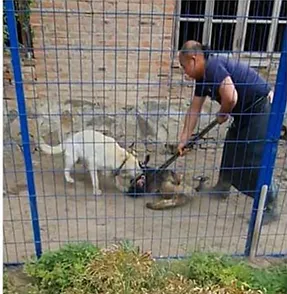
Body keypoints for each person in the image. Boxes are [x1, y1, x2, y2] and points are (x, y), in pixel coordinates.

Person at [177, 40, 278, 225]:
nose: (185, 73)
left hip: (260, 107)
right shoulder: (203, 77)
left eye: (184, 67)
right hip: (244, 111)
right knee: (231, 146)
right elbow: (194, 108)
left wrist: (223, 111)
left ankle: (270, 202)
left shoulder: (213, 67)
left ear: (194, 59)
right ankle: (222, 187)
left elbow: (231, 96)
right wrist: (185, 138)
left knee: (252, 156)